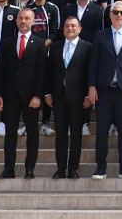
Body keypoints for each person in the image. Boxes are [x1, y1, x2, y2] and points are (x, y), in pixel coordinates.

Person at [89, 2, 122, 179]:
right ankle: (101, 168)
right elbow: (93, 63)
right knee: (102, 131)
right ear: (110, 15)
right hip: (104, 90)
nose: (119, 15)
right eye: (115, 12)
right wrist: (91, 86)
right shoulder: (100, 36)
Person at [0, 8, 46, 179]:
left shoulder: (39, 44)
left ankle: (29, 168)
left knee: (32, 133)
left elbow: (42, 72)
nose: (23, 21)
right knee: (10, 134)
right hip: (10, 96)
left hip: (31, 97)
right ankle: (9, 168)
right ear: (16, 21)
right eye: (20, 18)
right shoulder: (7, 43)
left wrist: (38, 95)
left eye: (27, 18)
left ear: (32, 21)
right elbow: (0, 70)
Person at [46, 15, 94, 179]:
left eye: (73, 26)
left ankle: (73, 168)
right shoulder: (55, 47)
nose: (70, 28)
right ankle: (60, 168)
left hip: (79, 98)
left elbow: (90, 73)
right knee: (60, 134)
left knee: (76, 134)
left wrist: (89, 95)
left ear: (79, 29)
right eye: (67, 26)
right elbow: (49, 71)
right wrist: (48, 93)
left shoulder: (87, 47)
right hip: (59, 97)